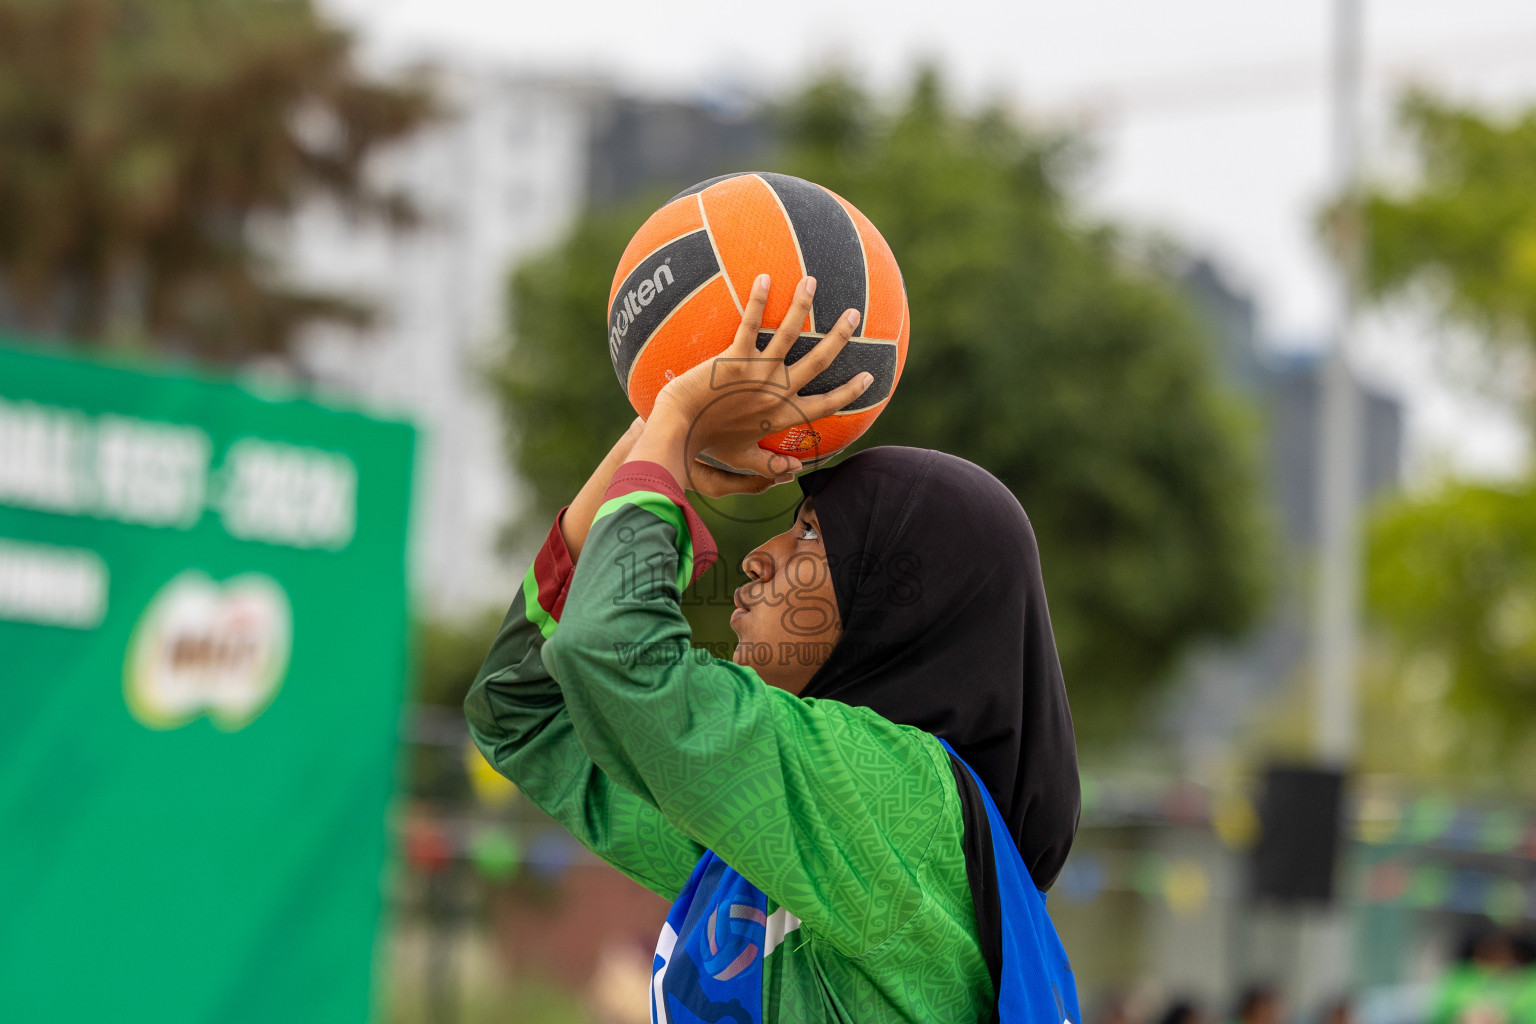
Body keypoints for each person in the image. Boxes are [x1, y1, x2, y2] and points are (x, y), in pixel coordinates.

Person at [466, 273, 1081, 1023]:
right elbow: (520, 710)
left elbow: (610, 653)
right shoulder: (793, 819)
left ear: (895, 606)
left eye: (813, 533)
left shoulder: (898, 803)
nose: (761, 555)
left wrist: (679, 421)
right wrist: (655, 437)